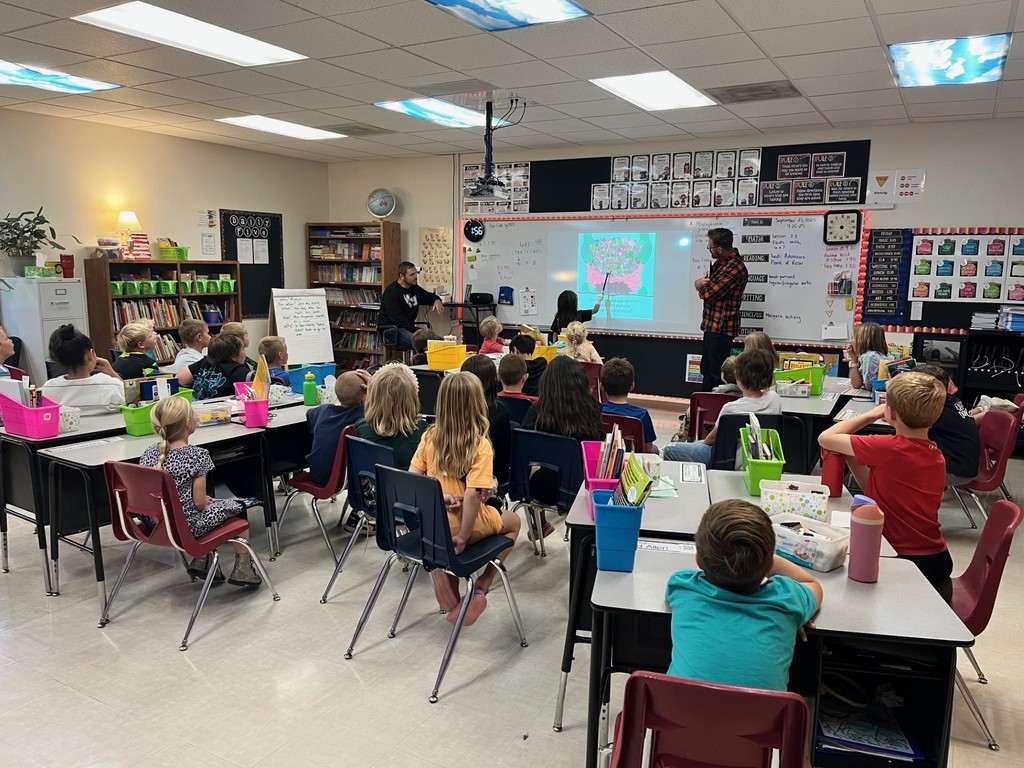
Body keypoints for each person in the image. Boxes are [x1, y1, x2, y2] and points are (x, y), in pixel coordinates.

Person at [818, 371, 953, 600]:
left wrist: (872, 414)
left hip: (903, 560)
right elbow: (876, 494)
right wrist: (853, 456)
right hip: (936, 559)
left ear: (890, 412)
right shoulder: (935, 454)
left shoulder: (889, 447)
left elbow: (826, 437)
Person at [666, 500, 822, 691]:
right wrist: (794, 613)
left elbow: (701, 569)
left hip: (679, 710)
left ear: (698, 558)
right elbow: (812, 584)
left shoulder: (683, 587)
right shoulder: (787, 599)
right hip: (762, 712)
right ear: (769, 565)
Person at [410, 372, 521, 626]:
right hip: (465, 526)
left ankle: (449, 589)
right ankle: (483, 584)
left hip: (433, 525)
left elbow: (413, 479)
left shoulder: (429, 436)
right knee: (514, 523)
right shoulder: (480, 445)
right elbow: (472, 495)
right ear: (477, 404)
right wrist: (463, 537)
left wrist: (442, 495)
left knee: (447, 549)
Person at [140, 396, 261, 586]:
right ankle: (243, 569)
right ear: (188, 423)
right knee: (238, 507)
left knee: (207, 508)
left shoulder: (148, 453)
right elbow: (199, 504)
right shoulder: (198, 455)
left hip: (155, 526)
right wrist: (204, 500)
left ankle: (204, 561)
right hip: (186, 527)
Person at [522, 356, 603, 538]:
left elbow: (524, 451)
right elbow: (596, 450)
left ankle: (539, 525)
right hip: (583, 489)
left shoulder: (537, 411)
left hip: (544, 489)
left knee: (531, 466)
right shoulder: (593, 410)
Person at [663, 349, 780, 468]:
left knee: (670, 449)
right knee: (697, 444)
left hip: (726, 460)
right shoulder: (774, 399)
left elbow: (711, 439)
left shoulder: (730, 408)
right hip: (758, 458)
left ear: (739, 379)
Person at [695, 229, 747, 390]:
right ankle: (704, 403)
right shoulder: (721, 263)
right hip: (712, 326)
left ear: (719, 249)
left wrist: (698, 286)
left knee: (717, 373)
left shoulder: (734, 267)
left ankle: (717, 404)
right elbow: (707, 285)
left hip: (721, 328)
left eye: (710, 247)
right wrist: (700, 284)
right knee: (707, 369)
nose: (709, 250)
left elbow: (709, 293)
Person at [916, 365, 981, 485]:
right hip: (964, 465)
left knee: (900, 465)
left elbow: (907, 423)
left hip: (956, 472)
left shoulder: (935, 409)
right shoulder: (951, 400)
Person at [306, 369, 370, 487]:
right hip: (349, 479)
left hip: (318, 475)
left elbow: (309, 414)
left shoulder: (323, 410)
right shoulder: (363, 415)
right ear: (365, 396)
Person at [42, 324, 125, 413]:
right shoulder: (113, 385)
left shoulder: (47, 390)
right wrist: (112, 373)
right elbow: (131, 399)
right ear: (90, 355)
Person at [461, 355, 512, 490]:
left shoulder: (455, 411)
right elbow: (505, 453)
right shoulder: (497, 411)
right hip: (490, 480)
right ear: (493, 379)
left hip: (459, 477)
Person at [379, 261, 444, 350]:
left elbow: (428, 296)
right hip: (392, 330)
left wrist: (437, 300)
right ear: (402, 276)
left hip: (408, 328)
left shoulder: (414, 288)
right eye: (412, 275)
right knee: (425, 343)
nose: (415, 277)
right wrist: (418, 331)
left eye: (416, 273)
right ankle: (419, 358)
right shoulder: (392, 292)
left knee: (441, 342)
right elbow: (397, 320)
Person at [600, 357, 656, 453]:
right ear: (632, 386)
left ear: (602, 387)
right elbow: (648, 449)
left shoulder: (595, 412)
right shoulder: (642, 415)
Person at [178, 333, 250, 400]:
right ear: (234, 356)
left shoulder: (205, 362)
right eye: (243, 349)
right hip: (219, 408)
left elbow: (181, 378)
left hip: (194, 404)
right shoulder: (238, 371)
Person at [845, 322, 891, 391]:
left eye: (853, 337)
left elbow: (868, 386)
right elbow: (856, 384)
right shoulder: (876, 354)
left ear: (862, 341)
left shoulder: (870, 357)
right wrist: (854, 359)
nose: (850, 341)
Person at [508, 334, 546, 398]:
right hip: (538, 401)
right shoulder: (542, 363)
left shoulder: (515, 369)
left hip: (519, 401)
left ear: (515, 350)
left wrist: (514, 360)